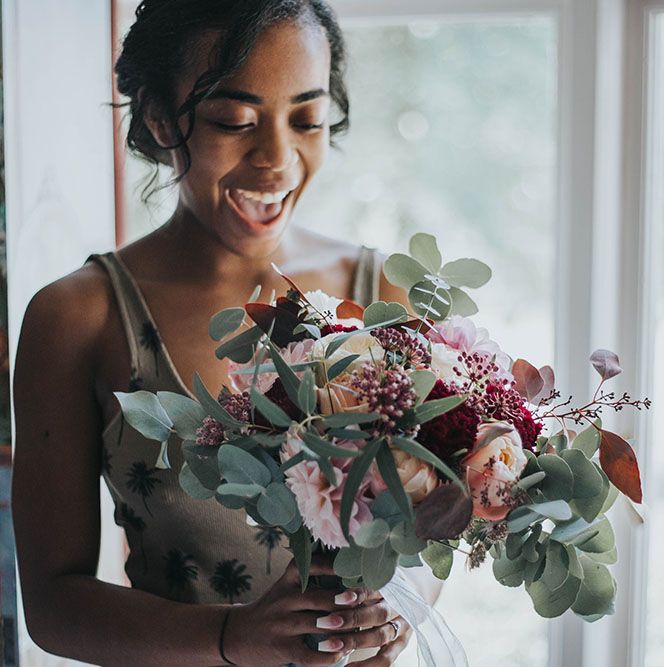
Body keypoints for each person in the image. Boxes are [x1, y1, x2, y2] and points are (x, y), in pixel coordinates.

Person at [11, 1, 441, 665]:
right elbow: (53, 605)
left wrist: (396, 608)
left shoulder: (384, 297)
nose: (276, 157)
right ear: (159, 118)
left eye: (306, 117)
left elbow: (437, 523)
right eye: (234, 120)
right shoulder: (78, 318)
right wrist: (229, 638)